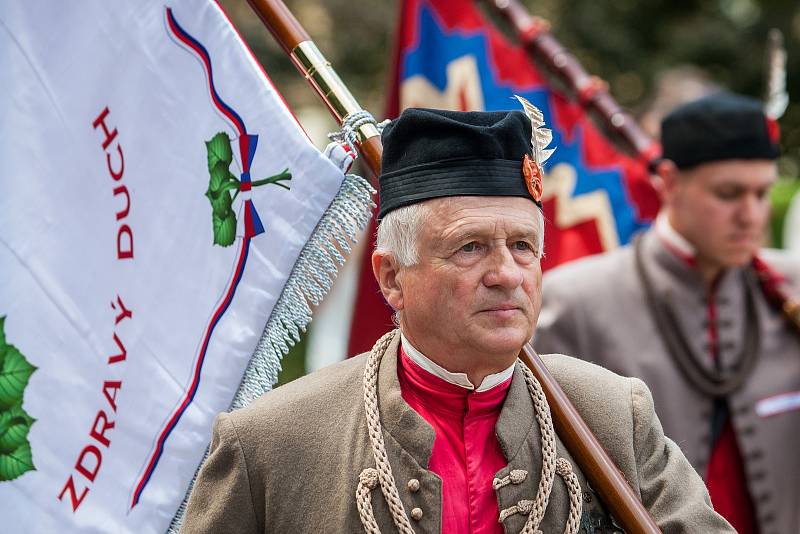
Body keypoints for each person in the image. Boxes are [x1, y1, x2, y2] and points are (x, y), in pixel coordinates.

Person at [181, 107, 733, 533]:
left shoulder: (613, 414)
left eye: (523, 246)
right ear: (392, 277)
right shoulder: (271, 444)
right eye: (470, 247)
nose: (506, 274)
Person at [534, 92, 800, 534]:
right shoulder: (575, 303)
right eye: (729, 193)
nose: (751, 215)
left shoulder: (792, 285)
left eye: (762, 193)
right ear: (670, 182)